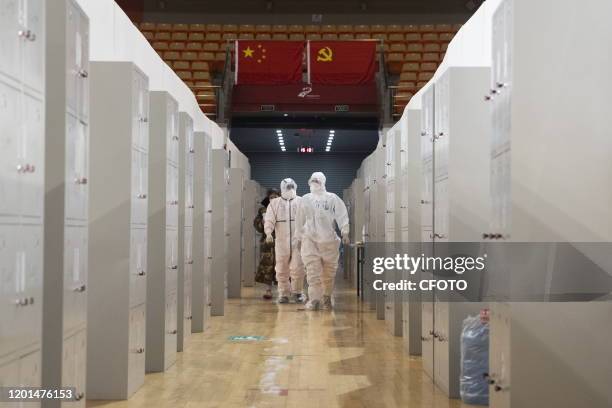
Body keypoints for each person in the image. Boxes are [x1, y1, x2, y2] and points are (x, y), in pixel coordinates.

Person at [296, 172, 350, 310]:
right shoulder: (305, 199)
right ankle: (314, 300)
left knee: (329, 272)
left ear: (323, 182)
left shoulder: (332, 198)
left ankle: (326, 297)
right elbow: (299, 219)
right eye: (312, 180)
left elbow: (341, 214)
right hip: (310, 239)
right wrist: (299, 237)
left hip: (329, 241)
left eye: (317, 180)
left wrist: (345, 232)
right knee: (312, 271)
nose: (315, 183)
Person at [264, 178, 306, 304]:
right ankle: (283, 293)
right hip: (281, 242)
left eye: (291, 186)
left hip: (298, 242)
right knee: (281, 268)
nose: (290, 189)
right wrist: (268, 232)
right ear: (282, 188)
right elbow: (269, 219)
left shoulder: (301, 202)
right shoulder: (275, 203)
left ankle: (297, 292)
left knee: (298, 268)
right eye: (287, 187)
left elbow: (308, 220)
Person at [254, 188, 280, 299]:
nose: (273, 199)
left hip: (281, 242)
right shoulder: (263, 210)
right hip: (267, 244)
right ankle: (268, 290)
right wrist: (262, 223)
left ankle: (283, 292)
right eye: (271, 197)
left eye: (275, 197)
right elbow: (257, 226)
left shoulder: (284, 209)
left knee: (282, 266)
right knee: (267, 267)